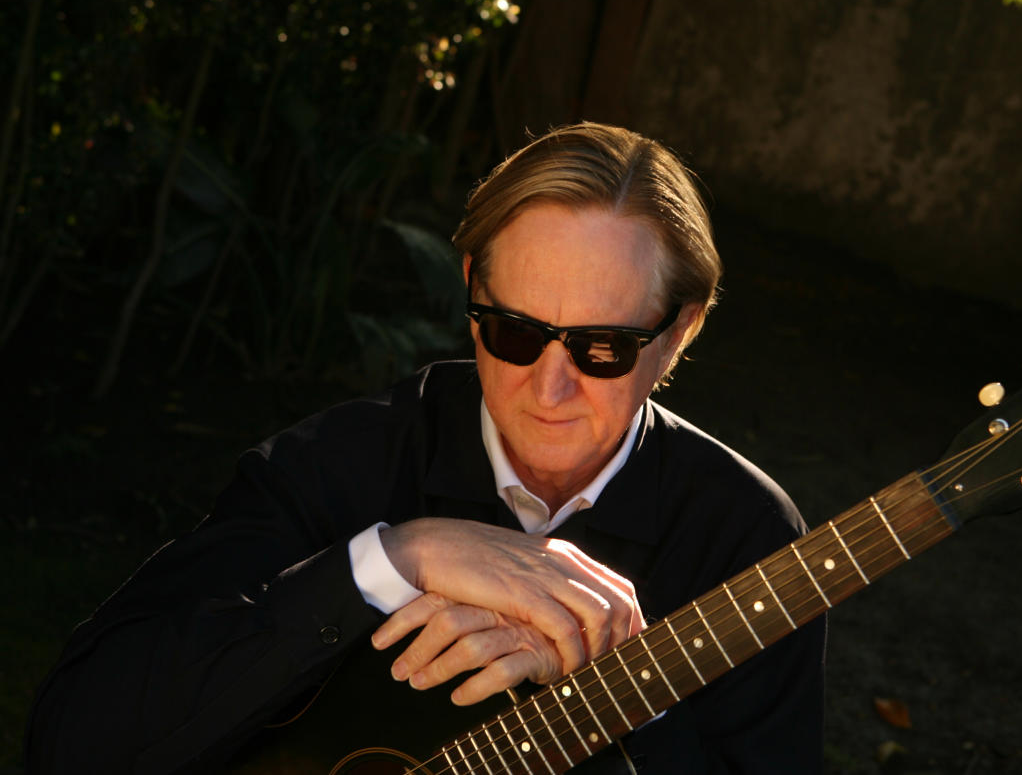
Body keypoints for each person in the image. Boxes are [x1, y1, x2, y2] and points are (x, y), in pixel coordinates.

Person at [27, 122, 825, 773]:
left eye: (601, 348)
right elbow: (74, 738)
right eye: (512, 331)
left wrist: (630, 703)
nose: (547, 390)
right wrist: (386, 560)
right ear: (472, 283)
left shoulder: (747, 536)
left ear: (680, 329)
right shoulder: (339, 462)